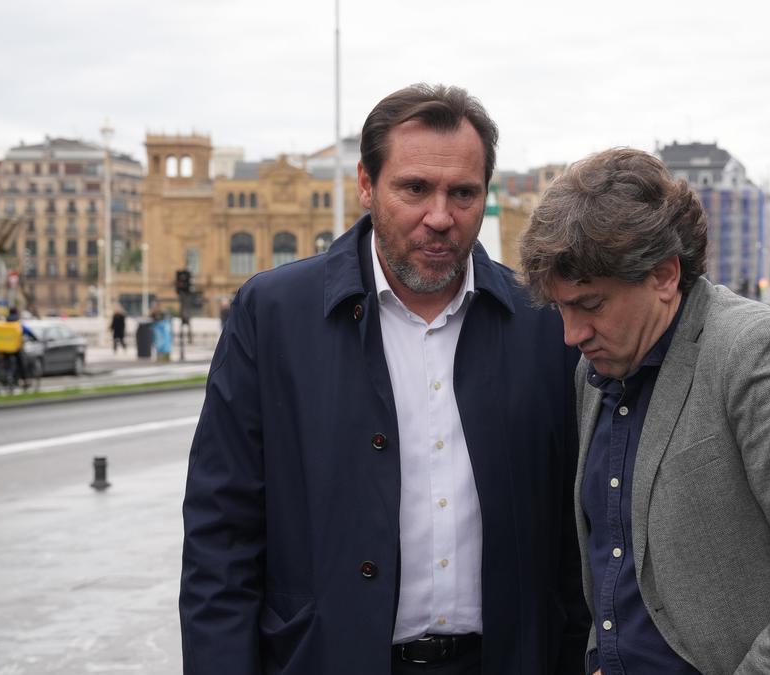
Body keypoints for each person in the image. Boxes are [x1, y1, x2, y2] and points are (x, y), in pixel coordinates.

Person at [180, 84, 589, 675]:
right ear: (367, 187)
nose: (441, 217)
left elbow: (582, 525)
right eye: (415, 188)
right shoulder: (274, 316)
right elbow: (222, 532)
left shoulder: (542, 323)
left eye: (464, 193)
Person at [519, 148, 770, 674]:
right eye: (562, 308)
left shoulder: (756, 352)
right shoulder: (596, 370)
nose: (572, 334)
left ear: (663, 275)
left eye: (590, 305)